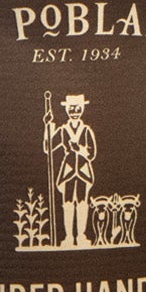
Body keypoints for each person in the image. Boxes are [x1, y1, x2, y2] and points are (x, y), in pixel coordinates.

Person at [45, 90, 98, 248]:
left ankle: (81, 236)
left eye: (77, 108)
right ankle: (68, 237)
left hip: (82, 171)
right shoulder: (62, 130)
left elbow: (92, 153)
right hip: (68, 171)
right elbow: (48, 148)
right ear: (67, 110)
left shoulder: (86, 130)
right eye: (71, 109)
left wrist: (79, 148)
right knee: (67, 203)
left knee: (82, 203)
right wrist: (48, 127)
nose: (74, 112)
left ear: (82, 109)